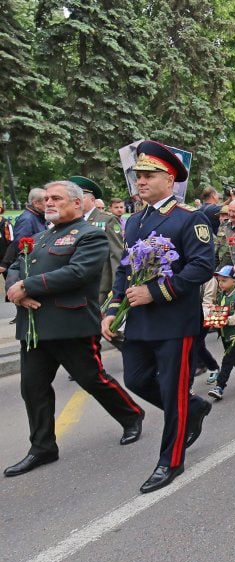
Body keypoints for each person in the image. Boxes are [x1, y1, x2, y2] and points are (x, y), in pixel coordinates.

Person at [4, 180, 144, 477]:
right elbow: (16, 265)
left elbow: (79, 273)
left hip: (71, 325)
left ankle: (131, 416)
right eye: (46, 198)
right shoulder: (40, 237)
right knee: (33, 388)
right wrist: (15, 289)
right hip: (35, 327)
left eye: (56, 198)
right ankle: (42, 447)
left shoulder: (90, 235)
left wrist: (27, 286)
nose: (49, 202)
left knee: (92, 379)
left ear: (77, 203)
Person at [100, 140, 215, 494]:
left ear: (170, 179)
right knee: (136, 380)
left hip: (174, 321)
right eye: (138, 175)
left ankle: (171, 461)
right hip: (139, 321)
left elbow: (201, 266)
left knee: (172, 389)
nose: (141, 181)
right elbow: (125, 268)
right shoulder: (135, 221)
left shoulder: (188, 218)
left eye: (149, 175)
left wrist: (156, 291)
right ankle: (192, 407)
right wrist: (112, 308)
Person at [69, 176, 125, 307]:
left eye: (80, 197)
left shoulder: (107, 220)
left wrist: (117, 290)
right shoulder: (72, 221)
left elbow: (116, 255)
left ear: (92, 200)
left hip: (100, 288)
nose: (76, 201)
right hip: (76, 286)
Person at [203, 265, 235, 401]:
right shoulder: (221, 296)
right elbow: (218, 310)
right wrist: (214, 312)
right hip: (225, 334)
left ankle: (219, 387)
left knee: (227, 360)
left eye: (224, 280)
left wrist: (226, 320)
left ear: (234, 281)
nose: (220, 283)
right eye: (219, 280)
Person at [0, 188, 46, 274]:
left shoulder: (40, 216)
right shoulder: (27, 219)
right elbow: (20, 243)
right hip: (30, 266)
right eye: (46, 200)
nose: (50, 203)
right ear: (36, 203)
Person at [214, 199, 235, 268]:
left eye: (234, 212)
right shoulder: (223, 225)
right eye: (230, 211)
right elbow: (217, 249)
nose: (231, 214)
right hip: (221, 269)